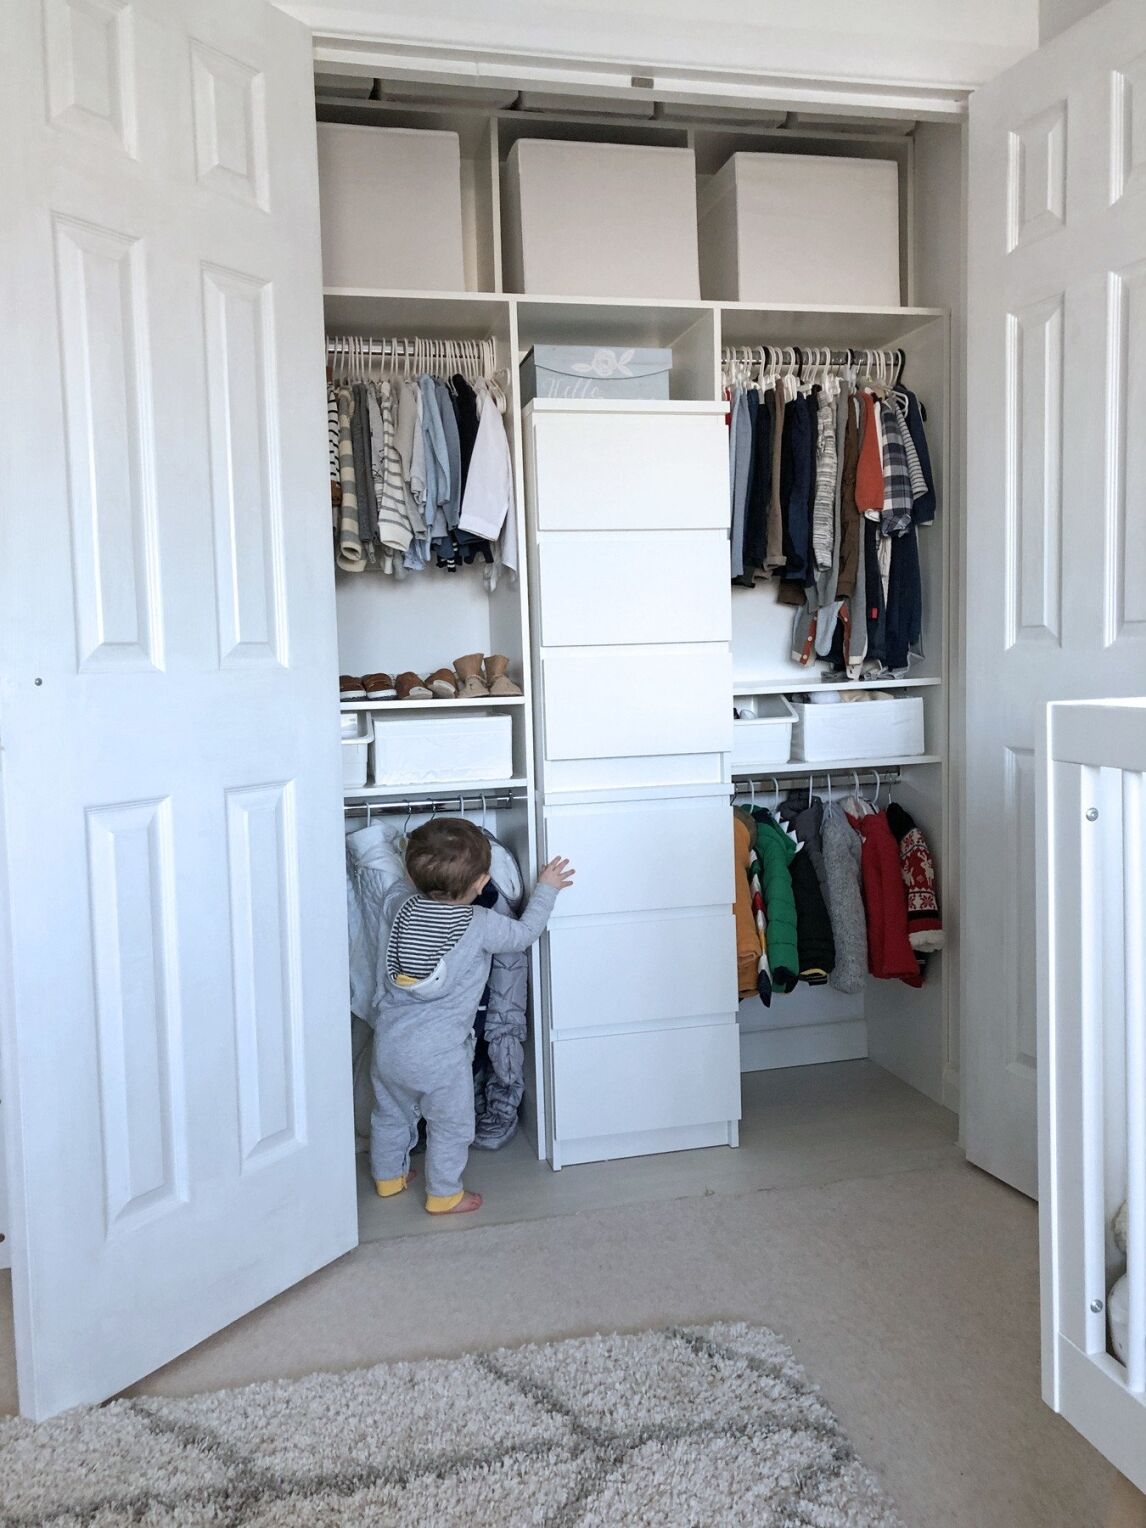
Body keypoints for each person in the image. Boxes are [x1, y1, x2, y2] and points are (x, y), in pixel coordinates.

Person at [370, 817, 574, 1214]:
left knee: (390, 1115)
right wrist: (546, 889)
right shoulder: (479, 925)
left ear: (411, 874)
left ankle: (388, 1178)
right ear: (482, 883)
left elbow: (405, 883)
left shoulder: (398, 905)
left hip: (390, 1046)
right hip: (441, 1057)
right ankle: (444, 1193)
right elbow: (525, 934)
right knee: (451, 1126)